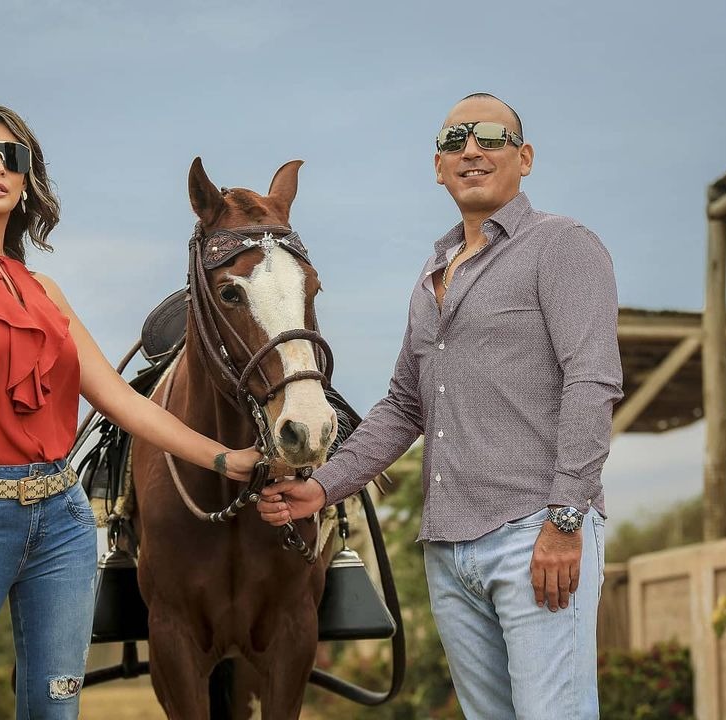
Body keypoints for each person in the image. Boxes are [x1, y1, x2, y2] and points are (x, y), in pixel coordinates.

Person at [0, 103, 260, 720]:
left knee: (55, 711)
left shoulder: (44, 291)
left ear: (27, 181)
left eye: (14, 158)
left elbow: (119, 398)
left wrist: (224, 458)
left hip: (62, 521)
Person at [258, 93, 623, 719]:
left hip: (533, 532)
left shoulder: (561, 245)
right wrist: (321, 487)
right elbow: (405, 406)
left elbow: (592, 382)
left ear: (524, 158)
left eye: (490, 137)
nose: (471, 150)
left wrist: (566, 521)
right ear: (438, 167)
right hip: (449, 550)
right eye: (455, 140)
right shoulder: (432, 274)